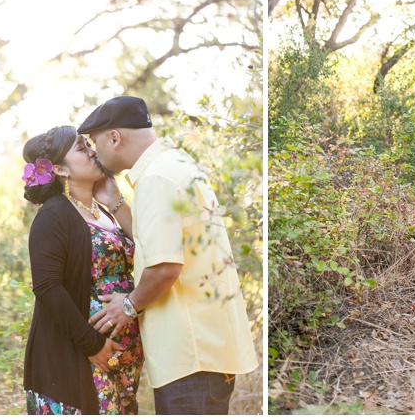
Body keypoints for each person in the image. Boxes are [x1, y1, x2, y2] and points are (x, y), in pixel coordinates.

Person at [78, 96, 258, 415]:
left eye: (95, 142)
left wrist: (128, 306)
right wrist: (118, 205)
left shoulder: (156, 179)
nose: (94, 152)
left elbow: (165, 267)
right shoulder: (176, 165)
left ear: (115, 137)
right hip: (206, 353)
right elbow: (161, 244)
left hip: (189, 357)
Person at [22, 126, 143, 414]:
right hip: (78, 356)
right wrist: (92, 345)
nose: (92, 150)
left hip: (121, 359)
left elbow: (148, 247)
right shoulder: (54, 215)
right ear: (61, 169)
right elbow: (48, 287)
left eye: (89, 143)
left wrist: (115, 200)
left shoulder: (105, 212)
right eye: (81, 147)